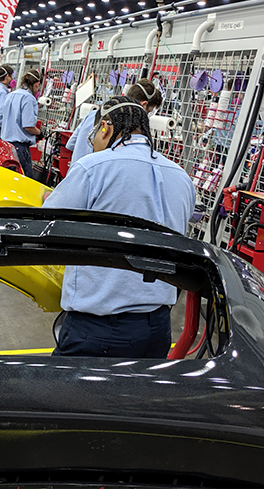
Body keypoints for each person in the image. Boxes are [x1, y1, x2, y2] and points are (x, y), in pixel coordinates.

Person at [43, 96, 196, 358]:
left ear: (105, 127)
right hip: (157, 327)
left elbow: (47, 228)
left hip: (98, 327)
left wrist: (51, 200)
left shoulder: (93, 168)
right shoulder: (181, 177)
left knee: (70, 396)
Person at [67, 78, 163, 167]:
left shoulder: (92, 115)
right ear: (143, 105)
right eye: (149, 112)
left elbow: (70, 144)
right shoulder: (123, 129)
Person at [0, 69, 42, 176]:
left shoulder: (9, 95)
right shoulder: (28, 98)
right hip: (19, 149)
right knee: (24, 182)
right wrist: (40, 133)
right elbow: (28, 126)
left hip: (5, 145)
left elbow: (0, 118)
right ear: (37, 84)